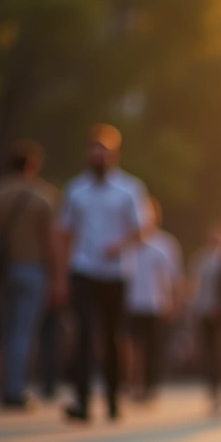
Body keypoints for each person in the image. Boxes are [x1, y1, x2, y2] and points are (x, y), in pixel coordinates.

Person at [59, 124, 150, 422]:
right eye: (94, 148)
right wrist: (59, 276)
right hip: (83, 269)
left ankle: (112, 398)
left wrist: (119, 245)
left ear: (114, 154)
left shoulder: (129, 189)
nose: (98, 154)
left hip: (115, 272)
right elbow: (65, 232)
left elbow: (142, 228)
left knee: (112, 337)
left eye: (104, 149)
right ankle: (82, 400)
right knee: (84, 333)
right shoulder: (76, 190)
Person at [0, 140, 63, 409]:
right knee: (23, 332)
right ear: (33, 165)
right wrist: (58, 276)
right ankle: (14, 390)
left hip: (0, 272)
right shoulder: (44, 196)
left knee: (3, 332)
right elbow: (52, 241)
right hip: (32, 270)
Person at [124, 198, 183, 402]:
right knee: (132, 347)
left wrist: (173, 302)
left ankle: (149, 386)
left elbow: (173, 277)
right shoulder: (127, 242)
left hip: (155, 305)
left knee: (151, 348)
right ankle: (133, 384)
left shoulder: (165, 244)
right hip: (130, 303)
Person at [188, 220, 221, 413]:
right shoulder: (202, 259)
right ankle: (214, 391)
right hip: (204, 310)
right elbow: (195, 286)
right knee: (210, 352)